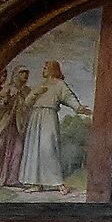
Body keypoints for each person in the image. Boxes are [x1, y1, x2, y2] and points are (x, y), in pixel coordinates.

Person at [16, 59, 82, 190]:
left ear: (52, 69)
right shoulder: (39, 85)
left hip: (49, 116)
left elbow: (69, 97)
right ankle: (35, 183)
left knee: (49, 148)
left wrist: (78, 107)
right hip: (35, 117)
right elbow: (27, 102)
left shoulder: (59, 84)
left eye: (45, 68)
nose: (43, 70)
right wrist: (36, 93)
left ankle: (58, 183)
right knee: (34, 149)